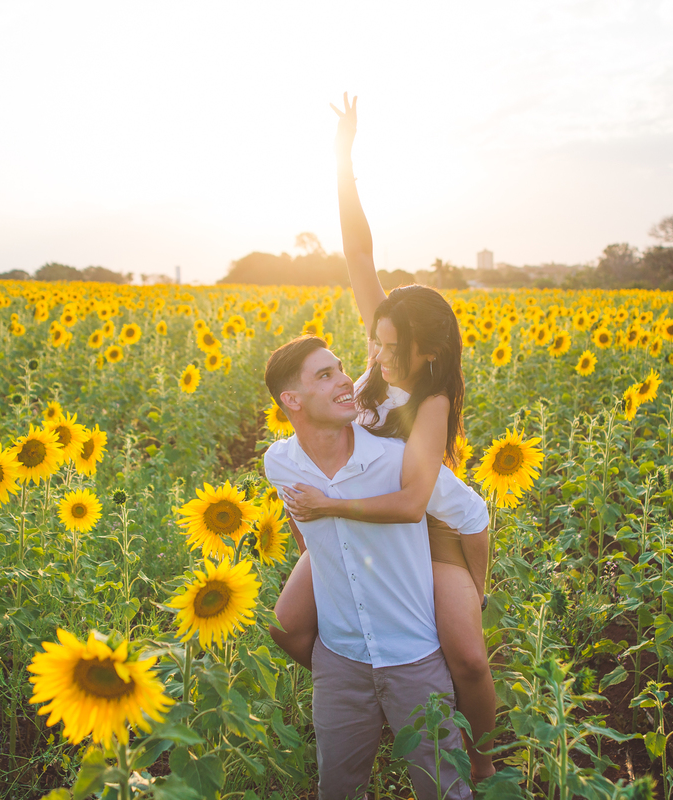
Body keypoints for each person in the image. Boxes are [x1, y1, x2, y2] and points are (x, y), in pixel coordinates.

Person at [270, 92, 498, 783]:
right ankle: (377, 697)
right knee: (288, 624)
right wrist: (344, 159)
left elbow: (415, 500)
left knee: (466, 656)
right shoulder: (381, 349)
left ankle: (480, 756)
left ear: (429, 352)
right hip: (371, 514)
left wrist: (473, 578)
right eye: (375, 339)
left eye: (392, 346)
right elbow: (359, 251)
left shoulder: (432, 401)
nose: (376, 351)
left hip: (432, 523)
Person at [263, 335, 486, 800]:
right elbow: (302, 533)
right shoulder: (280, 462)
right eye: (325, 375)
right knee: (338, 790)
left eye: (341, 368)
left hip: (413, 657)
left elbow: (471, 515)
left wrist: (474, 590)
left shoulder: (396, 457)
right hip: (340, 661)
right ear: (291, 400)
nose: (345, 379)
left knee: (444, 790)